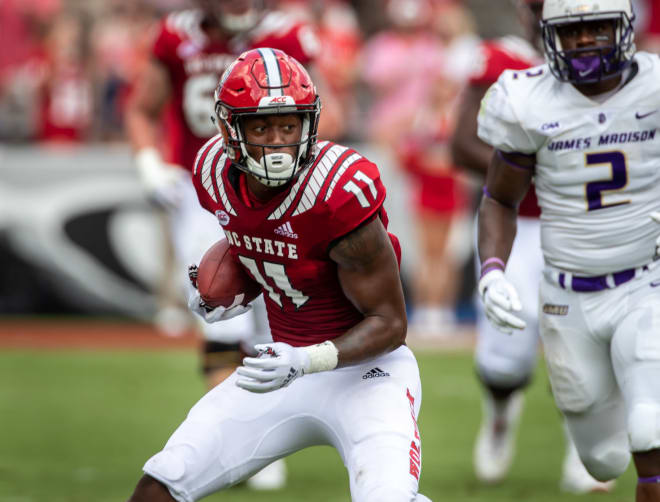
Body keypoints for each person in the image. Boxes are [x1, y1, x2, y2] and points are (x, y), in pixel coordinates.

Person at [127, 48, 431, 502]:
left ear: (308, 124)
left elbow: (390, 323)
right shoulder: (213, 171)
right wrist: (223, 294)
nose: (277, 141)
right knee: (161, 486)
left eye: (288, 125)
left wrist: (306, 360)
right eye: (261, 126)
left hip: (368, 374)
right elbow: (266, 252)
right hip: (276, 371)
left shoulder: (337, 191)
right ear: (231, 130)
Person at [125, 0, 327, 489]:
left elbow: (322, 113)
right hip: (202, 190)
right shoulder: (175, 35)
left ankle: (262, 435)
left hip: (271, 190)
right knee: (216, 311)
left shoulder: (289, 32)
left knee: (274, 316)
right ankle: (236, 439)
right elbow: (141, 107)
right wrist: (149, 163)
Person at [476, 0, 660, 500]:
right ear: (548, 32)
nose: (585, 41)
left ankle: (645, 397)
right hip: (568, 294)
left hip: (648, 281)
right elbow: (499, 198)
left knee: (650, 433)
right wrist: (492, 270)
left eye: (598, 27)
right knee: (602, 458)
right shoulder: (526, 99)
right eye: (573, 30)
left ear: (624, 28)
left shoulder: (654, 84)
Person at [451, 0, 612, 492]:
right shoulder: (503, 63)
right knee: (505, 358)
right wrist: (538, 166)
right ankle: (500, 415)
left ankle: (583, 452)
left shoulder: (615, 66)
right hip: (517, 224)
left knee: (586, 344)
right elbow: (460, 144)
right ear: (527, 13)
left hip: (587, 226)